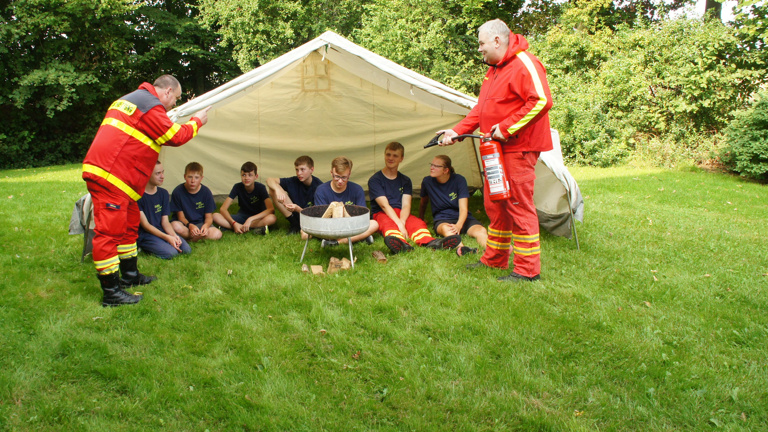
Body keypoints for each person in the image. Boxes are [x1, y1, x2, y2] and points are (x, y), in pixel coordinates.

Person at [438, 19, 553, 283]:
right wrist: (456, 131)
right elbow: (481, 110)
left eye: (481, 43)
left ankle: (527, 271)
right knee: (495, 206)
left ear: (497, 41)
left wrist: (508, 127)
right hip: (493, 152)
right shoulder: (493, 70)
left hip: (518, 149)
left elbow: (543, 101)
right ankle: (495, 260)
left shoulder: (525, 63)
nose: (479, 49)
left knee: (517, 206)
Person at [81, 74, 210, 306]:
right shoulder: (150, 105)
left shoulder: (135, 100)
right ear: (168, 91)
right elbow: (174, 136)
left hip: (123, 181)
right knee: (109, 234)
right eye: (176, 99)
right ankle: (111, 293)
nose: (173, 105)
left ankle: (130, 276)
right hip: (112, 178)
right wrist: (197, 121)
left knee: (129, 228)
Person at [368, 142, 460, 254]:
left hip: (401, 213)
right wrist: (400, 224)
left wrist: (402, 221)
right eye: (388, 155)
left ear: (401, 158)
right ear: (384, 155)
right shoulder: (375, 180)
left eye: (395, 156)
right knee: (388, 224)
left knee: (417, 222)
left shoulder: (405, 180)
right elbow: (384, 206)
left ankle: (432, 242)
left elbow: (406, 205)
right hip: (382, 213)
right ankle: (401, 244)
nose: (390, 158)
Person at [418, 155, 488, 256]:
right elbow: (423, 202)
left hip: (463, 218)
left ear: (446, 170)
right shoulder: (427, 182)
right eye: (431, 164)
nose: (431, 167)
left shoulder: (459, 180)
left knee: (481, 230)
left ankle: (491, 250)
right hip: (442, 219)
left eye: (436, 166)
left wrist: (458, 225)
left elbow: (463, 208)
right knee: (447, 230)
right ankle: (461, 249)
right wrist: (421, 218)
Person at [313, 157, 378, 247]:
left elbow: (362, 217)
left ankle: (337, 242)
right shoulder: (321, 190)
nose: (340, 181)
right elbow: (322, 220)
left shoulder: (357, 189)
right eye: (337, 177)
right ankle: (360, 238)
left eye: (344, 177)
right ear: (331, 173)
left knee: (374, 224)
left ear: (349, 174)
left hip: (351, 226)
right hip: (331, 228)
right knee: (309, 231)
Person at [137, 161, 192, 259]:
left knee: (186, 250)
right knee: (171, 253)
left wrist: (174, 236)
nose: (162, 176)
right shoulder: (138, 196)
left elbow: (165, 221)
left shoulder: (163, 193)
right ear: (147, 174)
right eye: (158, 173)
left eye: (163, 172)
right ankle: (143, 247)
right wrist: (167, 238)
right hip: (147, 234)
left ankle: (164, 242)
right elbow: (145, 225)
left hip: (162, 230)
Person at [213, 161, 277, 234]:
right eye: (244, 175)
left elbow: (271, 209)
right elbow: (223, 209)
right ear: (241, 176)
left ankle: (234, 227)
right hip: (241, 217)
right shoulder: (237, 187)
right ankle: (243, 227)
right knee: (215, 216)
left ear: (256, 177)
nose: (246, 178)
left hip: (257, 218)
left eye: (250, 175)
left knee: (272, 218)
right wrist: (234, 223)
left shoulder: (261, 188)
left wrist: (250, 219)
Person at [266, 155, 323, 234]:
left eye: (302, 170)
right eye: (297, 170)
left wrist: (297, 209)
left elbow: (317, 214)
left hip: (309, 217)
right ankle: (294, 224)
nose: (299, 173)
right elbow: (269, 180)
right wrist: (278, 189)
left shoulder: (319, 187)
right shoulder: (293, 181)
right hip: (294, 214)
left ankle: (300, 226)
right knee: (272, 189)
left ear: (311, 170)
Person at [170, 162, 223, 242]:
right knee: (174, 226)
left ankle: (188, 239)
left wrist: (206, 226)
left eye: (196, 177)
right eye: (190, 177)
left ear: (201, 178)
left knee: (217, 233)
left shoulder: (206, 192)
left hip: (200, 224)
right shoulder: (177, 192)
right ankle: (197, 237)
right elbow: (181, 217)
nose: (193, 181)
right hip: (185, 225)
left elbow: (209, 216)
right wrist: (190, 226)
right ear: (185, 177)